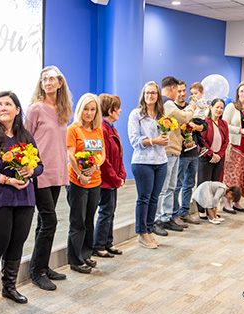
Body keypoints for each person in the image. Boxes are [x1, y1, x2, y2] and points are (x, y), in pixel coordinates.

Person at [0, 91, 43, 313]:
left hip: (23, 199)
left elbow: (40, 165)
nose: (3, 107)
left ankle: (9, 287)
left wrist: (31, 170)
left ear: (17, 110)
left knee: (16, 244)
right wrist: (8, 180)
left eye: (8, 104)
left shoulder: (25, 136)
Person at [25, 66, 72, 291]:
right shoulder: (35, 109)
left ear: (60, 83)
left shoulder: (63, 110)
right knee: (49, 221)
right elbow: (25, 139)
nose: (48, 82)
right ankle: (37, 271)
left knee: (45, 223)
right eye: (44, 79)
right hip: (40, 173)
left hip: (57, 173)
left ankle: (41, 265)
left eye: (52, 79)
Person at [66, 93, 106, 273]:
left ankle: (86, 255)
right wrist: (80, 174)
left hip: (95, 181)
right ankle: (75, 260)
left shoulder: (98, 130)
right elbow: (71, 155)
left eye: (92, 110)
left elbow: (103, 154)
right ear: (80, 110)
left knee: (89, 220)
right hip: (77, 182)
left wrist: (96, 164)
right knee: (78, 221)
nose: (89, 113)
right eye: (86, 109)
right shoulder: (73, 129)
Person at [128, 82, 169, 249]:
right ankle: (142, 233)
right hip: (142, 162)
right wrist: (154, 141)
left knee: (154, 198)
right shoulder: (136, 115)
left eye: (153, 93)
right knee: (144, 198)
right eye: (147, 93)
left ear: (158, 95)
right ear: (143, 95)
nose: (150, 96)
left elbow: (165, 135)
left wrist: (165, 138)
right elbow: (134, 141)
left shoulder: (162, 115)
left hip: (161, 161)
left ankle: (149, 231)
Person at [153, 77, 194, 235]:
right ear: (171, 88)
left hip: (174, 149)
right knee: (164, 188)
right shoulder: (167, 103)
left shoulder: (164, 103)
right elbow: (184, 118)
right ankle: (159, 219)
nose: (178, 94)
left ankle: (166, 216)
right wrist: (192, 108)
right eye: (177, 90)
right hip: (168, 150)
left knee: (171, 186)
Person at [93, 94, 127, 258]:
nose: (120, 110)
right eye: (117, 107)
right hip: (105, 181)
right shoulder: (102, 129)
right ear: (110, 110)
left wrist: (122, 173)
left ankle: (107, 243)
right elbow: (104, 160)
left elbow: (118, 154)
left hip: (112, 180)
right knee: (105, 212)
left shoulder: (111, 127)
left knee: (110, 212)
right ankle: (99, 245)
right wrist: (115, 178)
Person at [222, 82, 244, 212]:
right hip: (234, 145)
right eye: (241, 91)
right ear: (237, 93)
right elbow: (225, 124)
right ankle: (226, 203)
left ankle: (237, 202)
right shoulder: (231, 107)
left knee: (242, 174)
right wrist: (240, 130)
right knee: (231, 175)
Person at [174, 82, 205, 225]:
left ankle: (184, 212)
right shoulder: (173, 109)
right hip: (180, 154)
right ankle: (174, 214)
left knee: (189, 184)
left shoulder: (192, 106)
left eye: (184, 91)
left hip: (193, 153)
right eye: (179, 91)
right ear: (174, 91)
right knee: (176, 185)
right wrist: (183, 141)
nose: (182, 94)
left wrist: (197, 127)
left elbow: (203, 125)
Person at [197, 98, 229, 218]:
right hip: (206, 157)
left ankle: (212, 211)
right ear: (211, 107)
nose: (219, 110)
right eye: (217, 107)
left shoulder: (224, 123)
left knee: (215, 185)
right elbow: (202, 141)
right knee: (204, 185)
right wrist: (212, 154)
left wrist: (219, 155)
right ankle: (202, 210)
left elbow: (226, 141)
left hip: (218, 158)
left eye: (221, 108)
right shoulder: (205, 122)